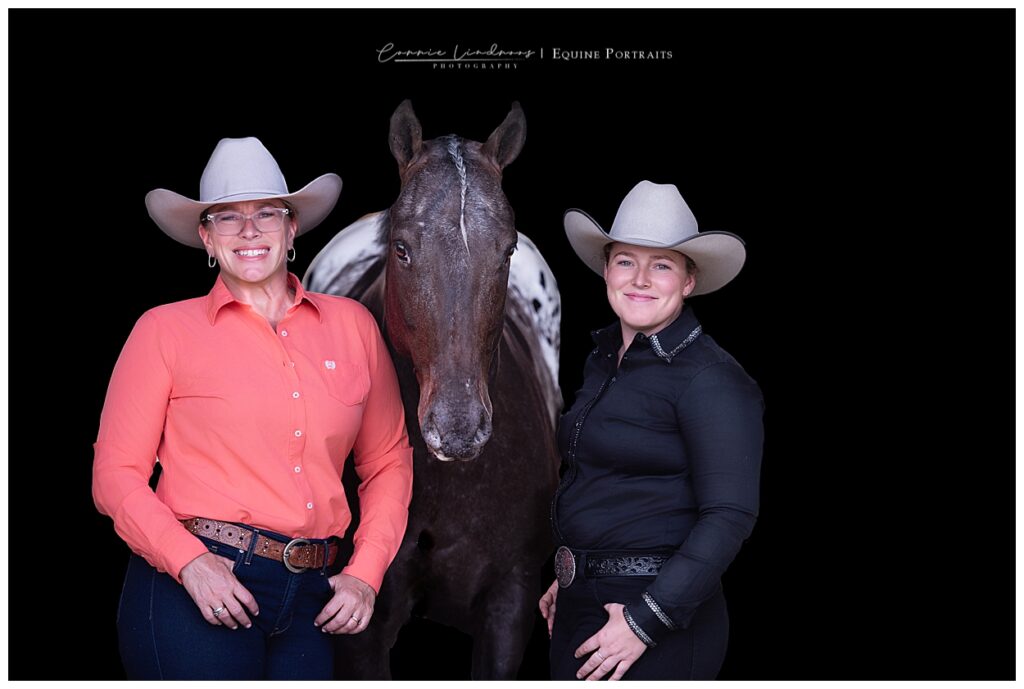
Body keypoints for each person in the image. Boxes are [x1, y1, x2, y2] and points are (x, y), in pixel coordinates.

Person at [92, 137, 414, 680]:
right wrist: (189, 562)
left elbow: (387, 460)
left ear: (291, 229)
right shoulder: (163, 331)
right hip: (197, 581)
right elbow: (114, 475)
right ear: (206, 238)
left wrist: (366, 572)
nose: (249, 230)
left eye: (268, 213)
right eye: (227, 218)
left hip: (314, 593)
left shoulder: (353, 326)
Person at [539, 181, 764, 680]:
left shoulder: (711, 378)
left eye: (661, 264)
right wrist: (575, 570)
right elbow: (604, 481)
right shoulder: (603, 362)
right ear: (606, 269)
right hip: (580, 604)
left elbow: (729, 516)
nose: (639, 279)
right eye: (625, 261)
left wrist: (644, 622)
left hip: (657, 618)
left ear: (687, 282)